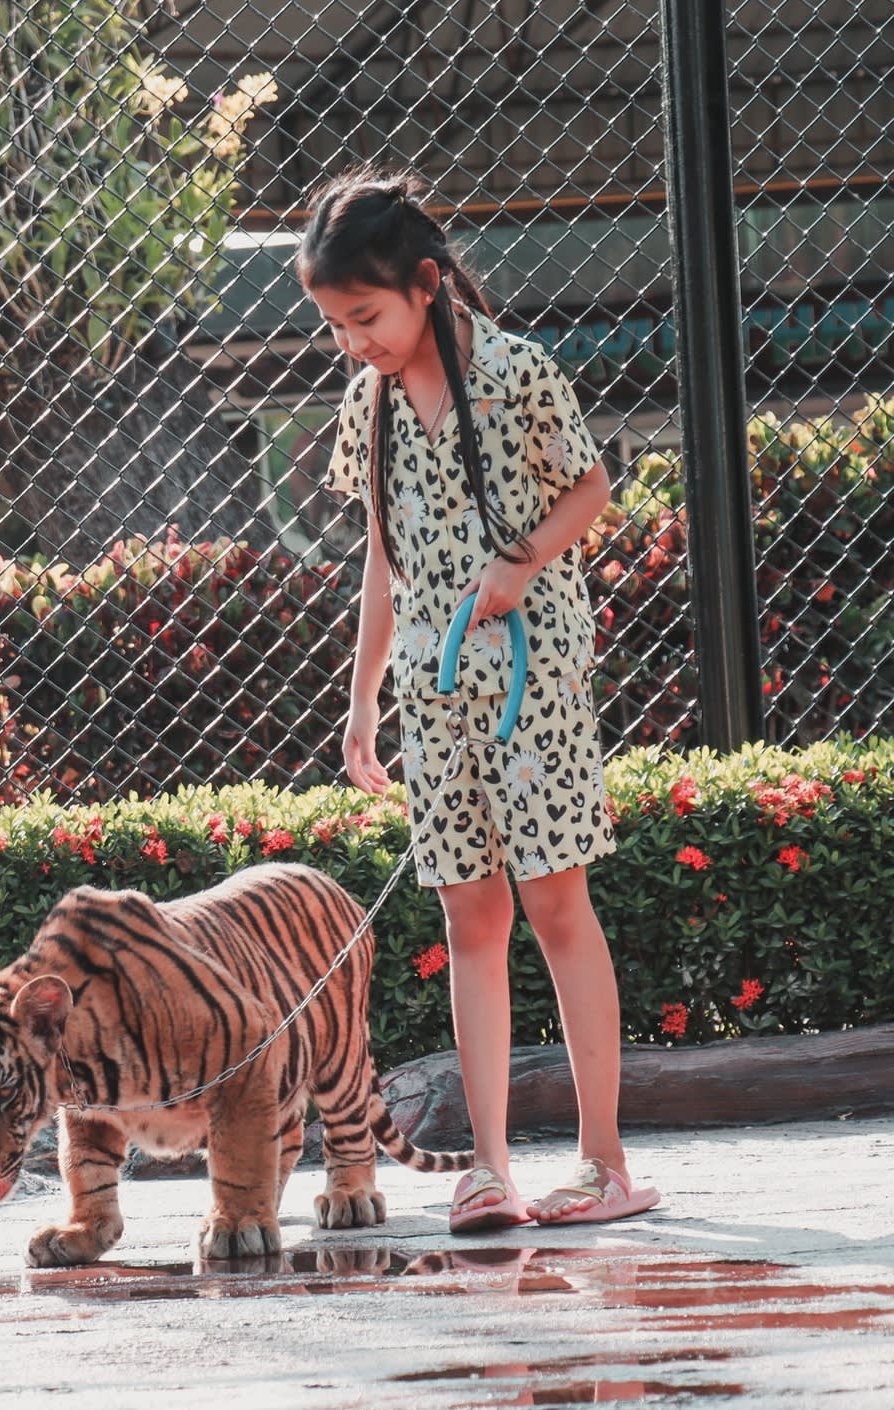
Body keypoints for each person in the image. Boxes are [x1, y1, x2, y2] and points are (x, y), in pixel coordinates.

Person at [296, 169, 659, 1232]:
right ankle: (489, 1171)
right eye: (335, 326)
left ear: (425, 283)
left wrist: (520, 560)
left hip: (533, 679)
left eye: (365, 317)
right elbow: (382, 555)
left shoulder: (516, 372)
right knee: (469, 916)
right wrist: (363, 702)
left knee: (554, 902)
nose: (353, 343)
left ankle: (603, 1163)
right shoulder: (368, 405)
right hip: (434, 690)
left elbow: (590, 487)